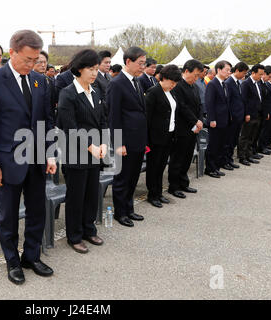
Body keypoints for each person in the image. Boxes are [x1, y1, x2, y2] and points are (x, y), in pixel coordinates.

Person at [0, 30, 56, 285]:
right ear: (12, 53)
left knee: (37, 210)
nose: (32, 65)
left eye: (36, 60)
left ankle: (31, 256)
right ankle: (12, 260)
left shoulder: (39, 81)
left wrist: (50, 154)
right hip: (7, 161)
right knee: (8, 215)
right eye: (27, 59)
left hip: (35, 160)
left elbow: (45, 121)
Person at [58, 49, 108, 253]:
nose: (95, 73)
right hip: (76, 152)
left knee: (91, 193)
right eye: (90, 68)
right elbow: (70, 127)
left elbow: (103, 120)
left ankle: (89, 228)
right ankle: (74, 235)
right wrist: (91, 146)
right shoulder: (68, 94)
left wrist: (104, 143)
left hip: (96, 152)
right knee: (76, 196)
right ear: (79, 69)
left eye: (96, 69)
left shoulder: (95, 91)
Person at [107, 46, 148, 227]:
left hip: (138, 139)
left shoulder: (136, 82)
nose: (143, 67)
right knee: (122, 178)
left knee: (133, 177)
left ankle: (129, 208)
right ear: (128, 61)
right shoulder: (117, 84)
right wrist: (118, 143)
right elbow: (113, 116)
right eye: (140, 63)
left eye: (144, 63)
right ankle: (120, 212)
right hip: (124, 141)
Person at [145, 65, 182, 208]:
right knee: (153, 166)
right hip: (155, 136)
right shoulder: (153, 92)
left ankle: (159, 193)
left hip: (169, 134)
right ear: (164, 78)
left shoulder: (171, 93)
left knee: (161, 166)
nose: (173, 86)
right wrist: (146, 140)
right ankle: (152, 194)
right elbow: (147, 117)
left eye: (175, 83)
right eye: (172, 82)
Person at [167, 59, 203, 197]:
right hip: (181, 128)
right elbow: (182, 107)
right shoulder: (177, 86)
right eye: (195, 75)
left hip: (194, 128)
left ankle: (183, 183)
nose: (196, 78)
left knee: (187, 157)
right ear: (186, 71)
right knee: (178, 158)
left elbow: (199, 105)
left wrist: (199, 120)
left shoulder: (194, 86)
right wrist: (195, 121)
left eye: (199, 75)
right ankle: (174, 186)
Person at [204, 60, 232, 178]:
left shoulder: (224, 84)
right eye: (227, 70)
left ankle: (216, 167)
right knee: (213, 145)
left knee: (221, 144)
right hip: (215, 120)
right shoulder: (212, 84)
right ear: (219, 70)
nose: (229, 72)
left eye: (230, 70)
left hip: (224, 119)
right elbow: (209, 103)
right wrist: (212, 119)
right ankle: (210, 168)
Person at [237, 64, 265, 166]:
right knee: (245, 136)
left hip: (257, 114)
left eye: (262, 74)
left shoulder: (257, 83)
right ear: (253, 73)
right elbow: (244, 100)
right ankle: (242, 157)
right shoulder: (246, 84)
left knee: (251, 136)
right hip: (249, 114)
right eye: (259, 74)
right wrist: (247, 113)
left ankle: (249, 155)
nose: (261, 76)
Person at [224, 62, 249, 170]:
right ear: (237, 70)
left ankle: (229, 160)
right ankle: (225, 161)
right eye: (243, 73)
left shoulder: (238, 83)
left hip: (238, 117)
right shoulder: (229, 82)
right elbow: (228, 101)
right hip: (233, 117)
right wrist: (230, 116)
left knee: (234, 140)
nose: (244, 76)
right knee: (229, 141)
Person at [258, 66, 271, 155]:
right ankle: (262, 147)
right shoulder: (266, 85)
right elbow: (265, 101)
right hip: (267, 112)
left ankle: (266, 144)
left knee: (269, 130)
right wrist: (266, 113)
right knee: (264, 131)